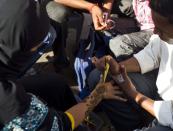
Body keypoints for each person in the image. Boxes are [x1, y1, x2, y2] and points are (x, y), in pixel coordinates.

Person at [0, 0, 125, 130]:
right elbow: (61, 125)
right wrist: (98, 94)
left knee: (55, 84)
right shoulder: (9, 102)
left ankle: (85, 117)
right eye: (34, 47)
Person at [91, 0, 173, 130]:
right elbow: (151, 54)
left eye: (161, 30)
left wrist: (132, 93)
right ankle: (134, 125)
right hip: (161, 97)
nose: (155, 32)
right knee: (98, 77)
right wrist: (116, 68)